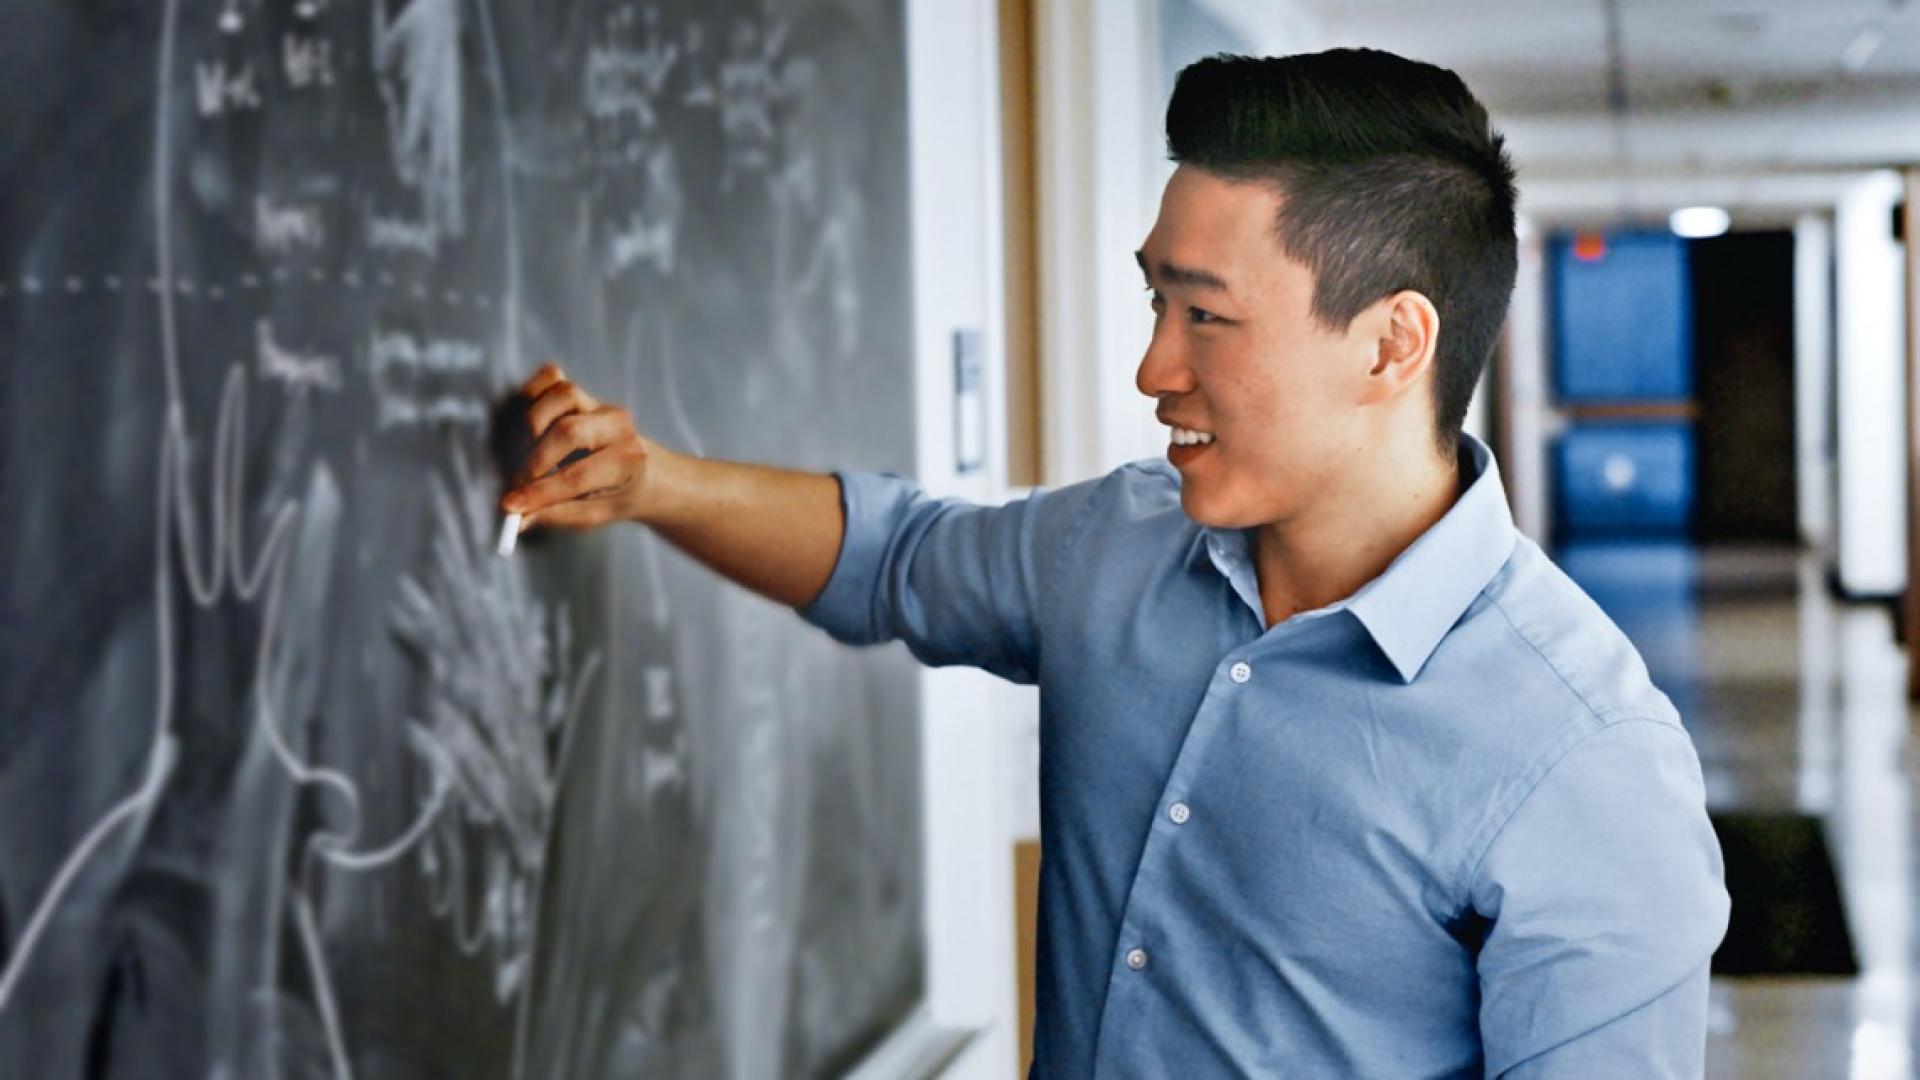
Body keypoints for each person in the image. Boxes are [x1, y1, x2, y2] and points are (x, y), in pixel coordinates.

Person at [500, 48, 1729, 1079]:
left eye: (1206, 314)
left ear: (1390, 344)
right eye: (1154, 303)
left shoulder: (1583, 762)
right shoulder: (1119, 545)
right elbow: (895, 558)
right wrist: (653, 482)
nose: (1153, 368)